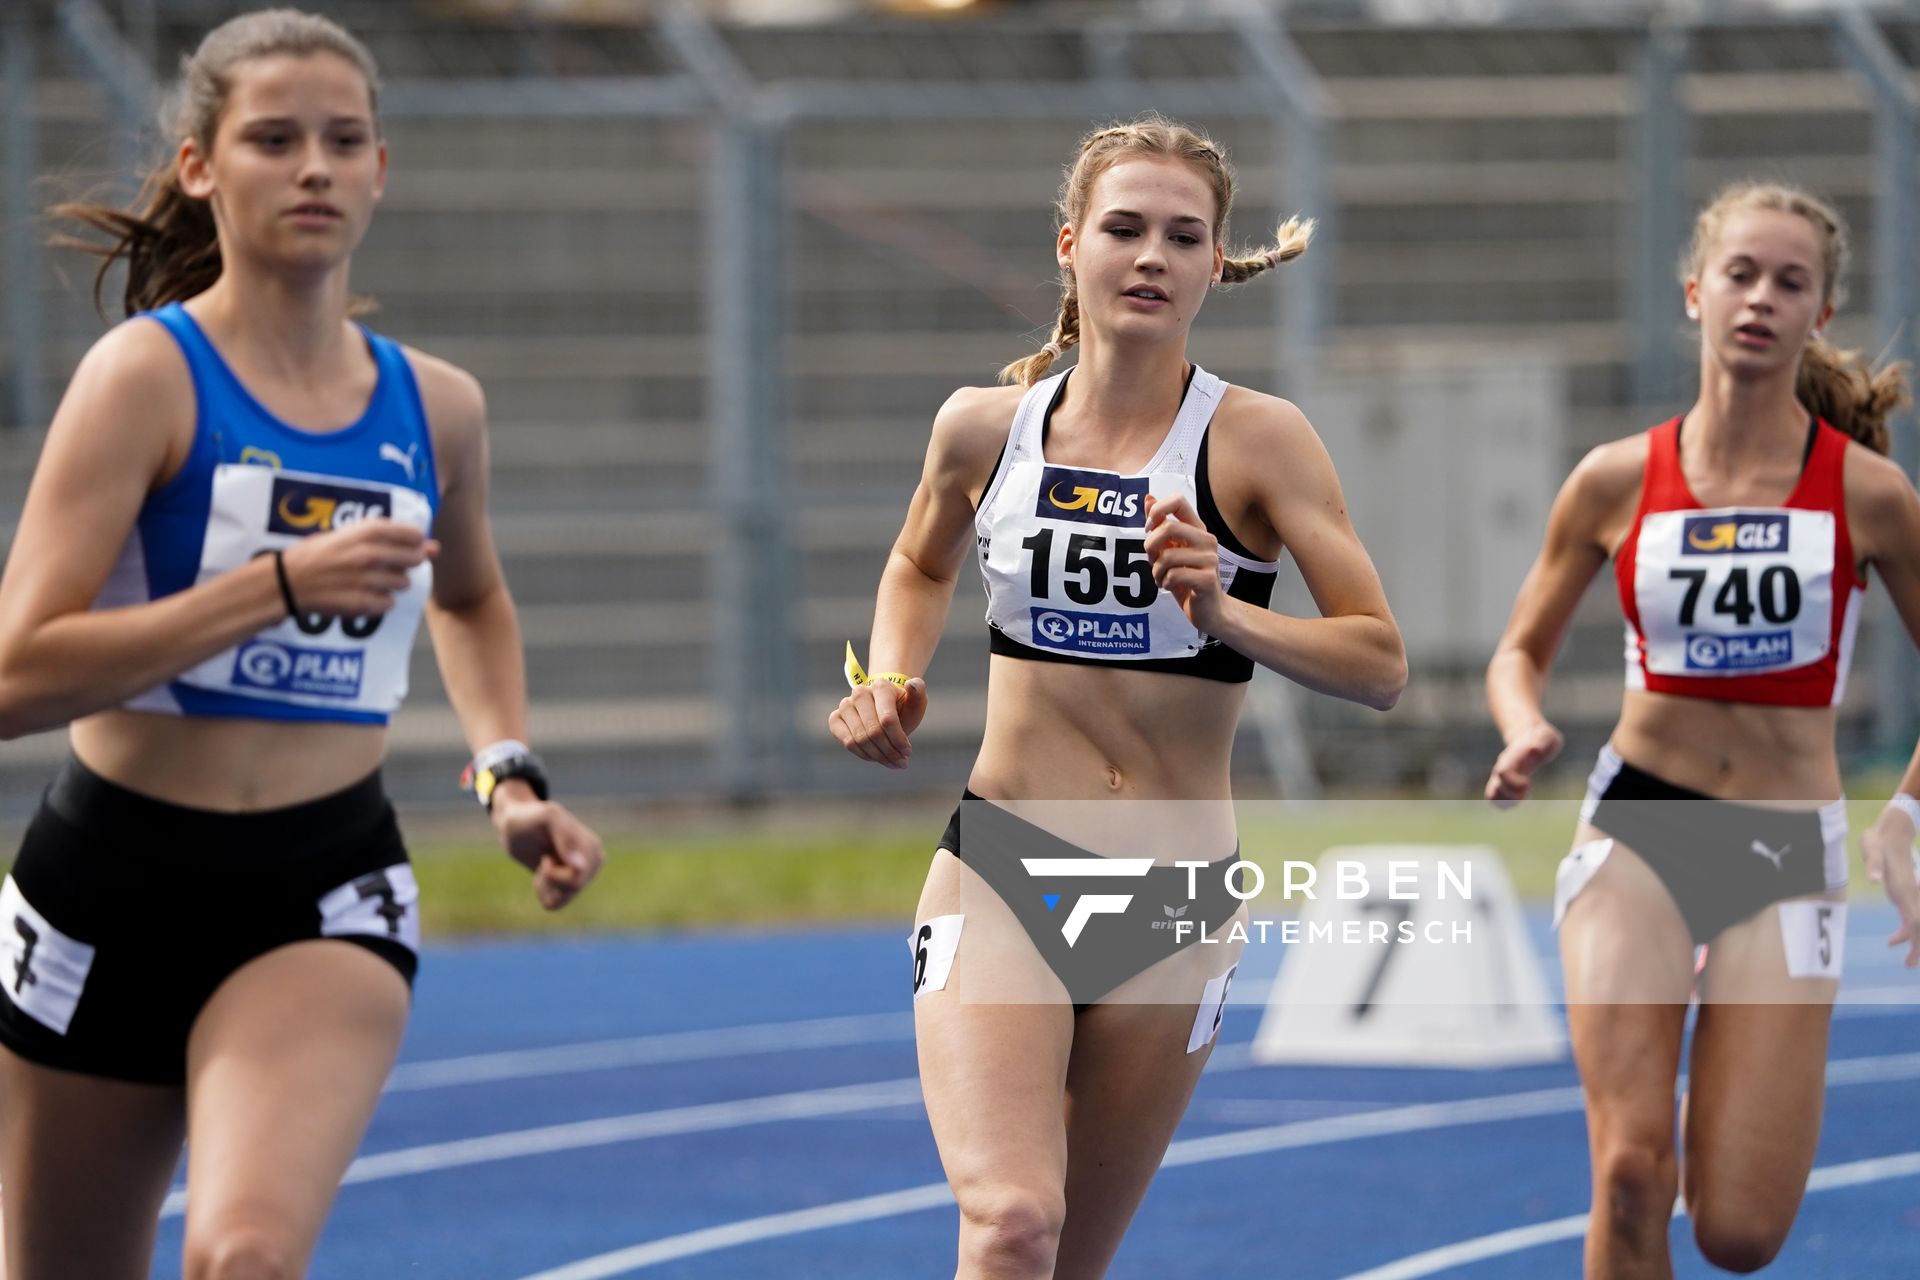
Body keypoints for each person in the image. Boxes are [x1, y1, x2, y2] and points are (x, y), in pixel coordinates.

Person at [0, 11, 605, 1278]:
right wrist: (271, 586)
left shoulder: (436, 405)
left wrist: (508, 770)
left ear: (383, 168)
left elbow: (472, 596)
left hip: (320, 885)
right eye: (275, 139)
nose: (315, 167)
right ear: (202, 167)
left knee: (247, 1255)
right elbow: (16, 676)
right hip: (105, 882)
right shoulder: (143, 380)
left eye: (344, 141)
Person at [830, 116, 1405, 1279]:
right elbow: (918, 563)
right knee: (1009, 1221)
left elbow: (1380, 660)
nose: (1151, 256)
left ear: (1213, 264)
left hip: (1174, 900)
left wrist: (1230, 613)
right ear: (1069, 247)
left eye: (1183, 237)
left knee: (1070, 1261)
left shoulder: (1257, 441)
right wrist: (893, 676)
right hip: (1004, 863)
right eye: (1125, 228)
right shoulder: (982, 428)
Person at [1484, 180, 1920, 1277]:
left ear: (1821, 313)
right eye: (1740, 274)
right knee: (1632, 1169)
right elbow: (1517, 649)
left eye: (1790, 281)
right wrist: (1522, 723)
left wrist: (1904, 816)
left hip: (1784, 844)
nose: (1761, 299)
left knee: (1738, 1229)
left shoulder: (1870, 495)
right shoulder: (1616, 478)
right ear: (1695, 292)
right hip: (1639, 822)